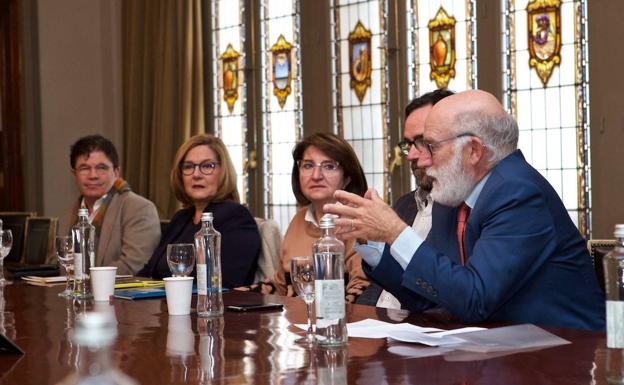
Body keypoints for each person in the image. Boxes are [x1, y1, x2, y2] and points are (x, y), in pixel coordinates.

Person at [325, 89, 605, 331]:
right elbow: (437, 296)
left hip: (563, 356)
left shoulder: (519, 193)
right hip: (495, 353)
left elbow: (475, 299)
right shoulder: (454, 195)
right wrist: (373, 242)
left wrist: (396, 232)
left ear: (473, 150)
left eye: (431, 146)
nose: (422, 160)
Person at [240, 133, 369, 302]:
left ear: (347, 178)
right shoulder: (299, 219)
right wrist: (234, 296)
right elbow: (279, 286)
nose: (316, 175)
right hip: (295, 324)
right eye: (308, 166)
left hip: (342, 324)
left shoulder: (358, 221)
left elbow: (364, 290)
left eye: (329, 166)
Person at [357, 89, 454, 309]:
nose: (410, 155)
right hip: (379, 326)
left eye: (421, 141)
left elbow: (442, 295)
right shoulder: (405, 204)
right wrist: (370, 243)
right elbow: (382, 290)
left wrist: (394, 231)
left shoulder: (464, 211)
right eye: (408, 144)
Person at [138, 134, 260, 288]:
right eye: (188, 166)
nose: (196, 174)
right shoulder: (180, 219)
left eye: (207, 166)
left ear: (223, 172)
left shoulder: (236, 217)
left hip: (206, 309)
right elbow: (149, 271)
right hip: (160, 307)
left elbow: (221, 284)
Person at [49, 135, 160, 275]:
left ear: (116, 173)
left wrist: (86, 283)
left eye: (101, 168)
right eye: (84, 168)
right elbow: (56, 263)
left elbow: (134, 265)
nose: (93, 175)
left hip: (118, 295)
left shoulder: (139, 209)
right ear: (74, 174)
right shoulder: (67, 215)